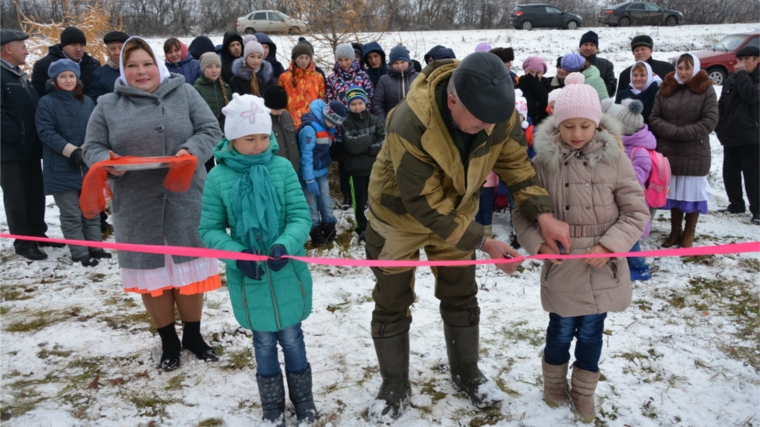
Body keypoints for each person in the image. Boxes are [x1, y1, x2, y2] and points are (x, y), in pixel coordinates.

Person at [364, 52, 571, 422]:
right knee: (391, 302)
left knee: (461, 295)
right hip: (399, 219)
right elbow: (423, 202)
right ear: (452, 99)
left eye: (493, 121)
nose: (487, 127)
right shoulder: (410, 122)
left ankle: (465, 372)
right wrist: (484, 242)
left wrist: (543, 215)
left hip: (457, 213)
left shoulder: (496, 112)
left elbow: (515, 164)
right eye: (479, 121)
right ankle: (394, 383)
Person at [513, 72, 648, 424]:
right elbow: (523, 212)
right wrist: (538, 244)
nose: (576, 134)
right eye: (568, 126)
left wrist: (610, 245)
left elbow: (636, 212)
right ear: (557, 126)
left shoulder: (615, 158)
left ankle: (584, 392)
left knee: (591, 331)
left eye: (584, 126)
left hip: (602, 266)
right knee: (559, 330)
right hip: (562, 264)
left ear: (597, 124)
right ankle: (554, 385)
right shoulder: (541, 162)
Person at [82, 37, 223, 372]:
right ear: (122, 69)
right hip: (135, 202)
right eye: (132, 66)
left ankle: (193, 335)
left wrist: (191, 151)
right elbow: (91, 147)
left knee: (188, 273)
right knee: (153, 277)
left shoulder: (185, 93)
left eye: (146, 64)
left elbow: (210, 129)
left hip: (184, 196)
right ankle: (168, 341)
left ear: (157, 64)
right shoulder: (107, 104)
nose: (140, 71)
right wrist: (106, 160)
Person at [199, 94, 317, 427]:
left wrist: (285, 243)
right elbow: (209, 229)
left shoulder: (281, 169)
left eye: (264, 136)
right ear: (232, 138)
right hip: (249, 278)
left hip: (286, 271)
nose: (259, 144)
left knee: (293, 337)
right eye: (250, 138)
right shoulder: (218, 178)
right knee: (263, 341)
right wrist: (237, 255)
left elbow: (299, 215)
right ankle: (272, 406)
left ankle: (304, 401)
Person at [35, 59, 108, 267]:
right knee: (71, 213)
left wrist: (85, 149)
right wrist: (71, 151)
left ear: (77, 79)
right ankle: (79, 252)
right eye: (62, 76)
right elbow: (46, 131)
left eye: (71, 76)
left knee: (91, 210)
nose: (68, 80)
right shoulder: (46, 103)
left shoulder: (87, 101)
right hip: (60, 166)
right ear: (54, 80)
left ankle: (95, 247)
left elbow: (96, 128)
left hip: (86, 164)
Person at [1, 29, 63, 261]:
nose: (27, 51)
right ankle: (24, 242)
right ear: (8, 48)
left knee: (34, 194)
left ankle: (39, 234)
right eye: (22, 47)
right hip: (10, 150)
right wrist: (19, 135)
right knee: (17, 197)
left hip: (28, 148)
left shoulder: (16, 74)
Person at [649, 53, 718, 248]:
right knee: (675, 193)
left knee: (691, 193)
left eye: (687, 68)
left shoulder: (706, 90)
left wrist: (683, 132)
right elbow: (655, 116)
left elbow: (710, 120)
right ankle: (674, 231)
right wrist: (671, 131)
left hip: (694, 149)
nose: (683, 72)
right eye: (680, 68)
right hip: (669, 150)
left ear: (695, 68)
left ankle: (689, 232)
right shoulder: (666, 88)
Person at [603, 98, 655, 281]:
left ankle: (640, 268)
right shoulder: (620, 145)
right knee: (620, 232)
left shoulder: (639, 151)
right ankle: (623, 262)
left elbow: (638, 177)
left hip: (633, 199)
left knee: (631, 236)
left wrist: (618, 174)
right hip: (617, 196)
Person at [326, 43, 374, 211]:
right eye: (340, 60)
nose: (344, 63)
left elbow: (370, 98)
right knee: (345, 163)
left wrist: (363, 119)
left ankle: (365, 193)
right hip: (341, 129)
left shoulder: (362, 76)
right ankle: (347, 193)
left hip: (360, 126)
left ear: (353, 59)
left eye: (347, 59)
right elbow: (330, 101)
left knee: (363, 161)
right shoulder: (332, 78)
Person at [715, 45, 760, 225]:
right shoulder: (732, 79)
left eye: (747, 59)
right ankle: (736, 204)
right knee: (730, 173)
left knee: (753, 175)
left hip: (752, 136)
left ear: (758, 60)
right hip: (730, 134)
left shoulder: (752, 78)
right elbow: (722, 103)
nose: (742, 63)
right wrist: (719, 125)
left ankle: (757, 210)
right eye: (740, 60)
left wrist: (741, 75)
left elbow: (752, 95)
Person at [298, 99, 347, 246]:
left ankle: (330, 232)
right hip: (309, 175)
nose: (334, 127)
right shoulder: (310, 129)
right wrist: (309, 179)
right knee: (312, 204)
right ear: (327, 117)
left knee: (326, 203)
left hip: (322, 171)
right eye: (333, 123)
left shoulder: (328, 126)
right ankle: (317, 236)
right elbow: (305, 156)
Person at [342, 86, 384, 241]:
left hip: (374, 169)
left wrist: (366, 148)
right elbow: (352, 146)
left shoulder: (375, 120)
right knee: (360, 203)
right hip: (356, 170)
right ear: (348, 105)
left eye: (360, 103)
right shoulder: (346, 123)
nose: (357, 107)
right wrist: (370, 138)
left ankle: (378, 226)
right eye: (353, 104)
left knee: (376, 200)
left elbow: (383, 142)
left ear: (365, 103)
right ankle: (362, 228)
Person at [31, 26, 101, 98]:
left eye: (82, 45)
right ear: (63, 46)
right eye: (73, 45)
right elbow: (39, 95)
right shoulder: (44, 65)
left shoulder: (94, 65)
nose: (78, 49)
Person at [193, 52, 231, 171]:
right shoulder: (197, 89)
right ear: (203, 69)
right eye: (209, 67)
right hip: (207, 135)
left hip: (225, 135)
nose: (214, 70)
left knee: (225, 166)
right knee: (209, 167)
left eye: (217, 66)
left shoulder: (226, 87)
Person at [277, 42, 325, 129]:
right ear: (294, 59)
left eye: (307, 58)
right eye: (300, 57)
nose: (304, 61)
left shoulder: (318, 77)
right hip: (291, 123)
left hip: (313, 122)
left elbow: (321, 100)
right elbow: (281, 101)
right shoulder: (285, 77)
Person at [371, 45, 418, 124]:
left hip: (415, 125)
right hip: (392, 124)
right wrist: (384, 123)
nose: (400, 66)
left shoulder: (418, 77)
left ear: (408, 62)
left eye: (403, 62)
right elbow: (377, 104)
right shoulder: (384, 80)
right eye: (396, 63)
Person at [264, 86, 300, 174]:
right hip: (274, 171)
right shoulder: (262, 120)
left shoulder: (286, 115)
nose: (279, 112)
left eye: (282, 108)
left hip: (293, 168)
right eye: (276, 110)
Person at [87, 31, 130, 103]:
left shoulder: (139, 71)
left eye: (121, 48)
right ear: (107, 51)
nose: (117, 52)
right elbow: (94, 104)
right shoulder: (99, 75)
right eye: (112, 48)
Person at [578, 31, 616, 97]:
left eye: (592, 45)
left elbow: (611, 88)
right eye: (586, 44)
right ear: (580, 47)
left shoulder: (606, 65)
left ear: (596, 48)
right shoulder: (572, 63)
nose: (588, 48)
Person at [518, 55, 549, 125]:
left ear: (542, 73)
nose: (534, 76)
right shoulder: (519, 87)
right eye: (531, 72)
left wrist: (536, 85)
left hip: (543, 127)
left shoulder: (547, 86)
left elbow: (547, 103)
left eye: (538, 73)